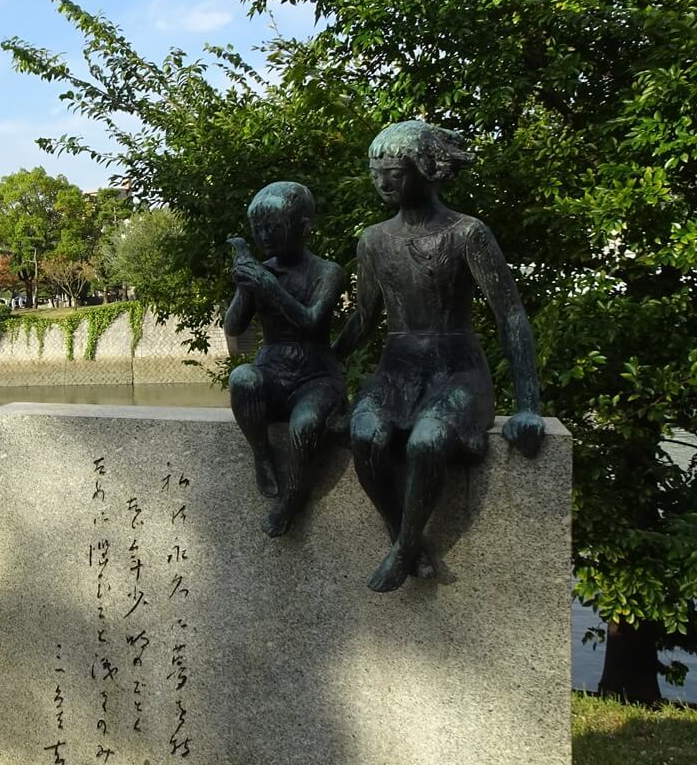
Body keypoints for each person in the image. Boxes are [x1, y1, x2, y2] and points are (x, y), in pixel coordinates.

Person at [335, 120, 545, 592]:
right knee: (365, 433)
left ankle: (405, 548)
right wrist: (321, 361)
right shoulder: (372, 240)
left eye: (394, 172)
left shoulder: (466, 233)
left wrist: (529, 405)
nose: (382, 183)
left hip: (456, 370)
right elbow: (363, 323)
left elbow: (510, 315)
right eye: (375, 173)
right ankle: (404, 539)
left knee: (427, 441)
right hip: (397, 370)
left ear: (425, 170)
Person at [225, 182, 347, 536]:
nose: (265, 236)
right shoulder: (262, 271)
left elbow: (311, 321)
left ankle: (294, 496)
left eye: (273, 228)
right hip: (272, 370)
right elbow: (234, 326)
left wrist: (267, 286)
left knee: (306, 424)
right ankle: (261, 453)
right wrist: (244, 287)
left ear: (304, 227)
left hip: (316, 376)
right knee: (242, 379)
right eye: (259, 229)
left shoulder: (327, 272)